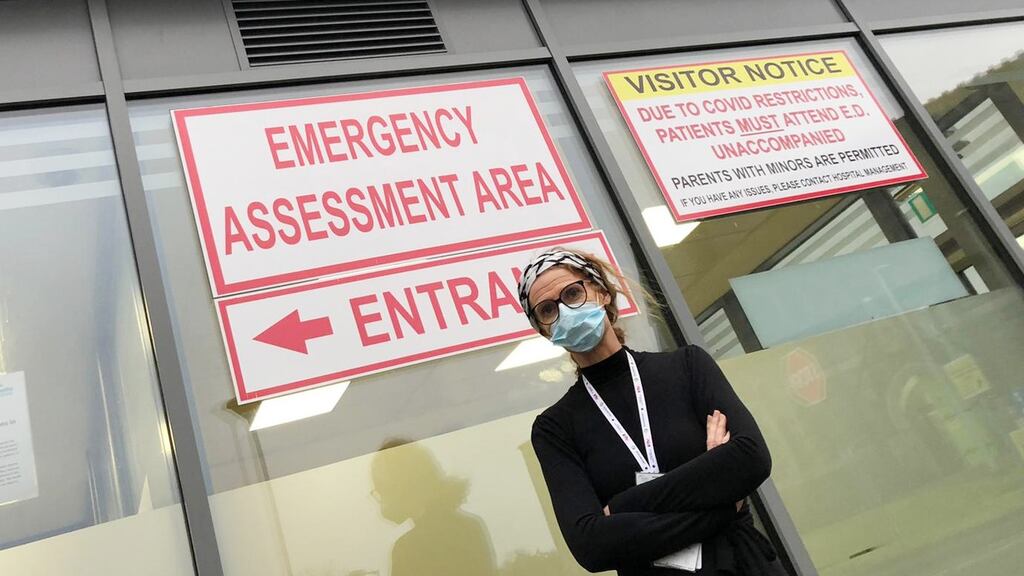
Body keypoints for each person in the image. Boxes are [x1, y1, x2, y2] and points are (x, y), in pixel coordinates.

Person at [518, 248, 784, 575]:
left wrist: (621, 507)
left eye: (573, 293)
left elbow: (750, 458)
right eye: (547, 310)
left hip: (745, 566)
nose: (564, 311)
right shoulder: (555, 428)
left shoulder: (686, 366)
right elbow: (591, 545)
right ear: (545, 330)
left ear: (601, 292)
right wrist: (720, 501)